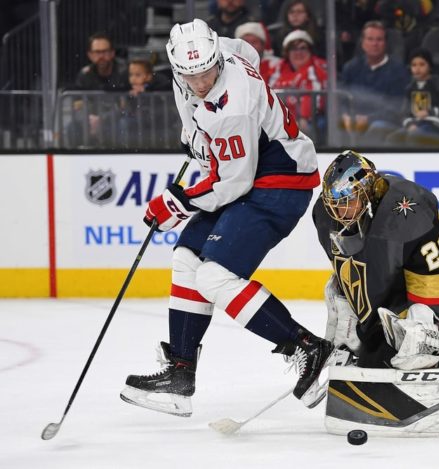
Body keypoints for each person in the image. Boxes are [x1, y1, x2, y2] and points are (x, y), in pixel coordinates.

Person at [120, 19, 333, 416]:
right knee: (186, 258)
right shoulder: (225, 51)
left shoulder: (230, 108)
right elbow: (248, 53)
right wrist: (198, 141)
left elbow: (233, 182)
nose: (200, 82)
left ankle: (308, 347)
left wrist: (176, 202)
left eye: (207, 72)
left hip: (281, 182)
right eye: (190, 74)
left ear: (216, 58)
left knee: (215, 275)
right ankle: (180, 373)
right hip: (254, 175)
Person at [313, 150, 439, 371]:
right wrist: (350, 315)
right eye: (333, 202)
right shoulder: (325, 217)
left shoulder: (408, 212)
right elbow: (353, 270)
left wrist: (423, 327)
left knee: (436, 354)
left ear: (367, 191)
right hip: (397, 302)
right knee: (374, 360)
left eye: (347, 200)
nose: (338, 210)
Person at [340, 20, 410, 145]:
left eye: (379, 39)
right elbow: (340, 99)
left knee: (377, 128)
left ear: (385, 43)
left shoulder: (398, 70)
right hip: (353, 122)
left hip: (384, 123)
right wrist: (345, 116)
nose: (374, 44)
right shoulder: (350, 68)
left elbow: (396, 108)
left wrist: (368, 119)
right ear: (362, 43)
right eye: (370, 39)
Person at [67, 32, 129, 148]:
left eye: (105, 52)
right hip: (91, 120)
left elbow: (126, 106)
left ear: (112, 53)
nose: (101, 56)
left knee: (123, 125)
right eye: (97, 52)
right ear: (90, 55)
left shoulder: (125, 72)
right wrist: (88, 119)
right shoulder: (84, 75)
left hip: (116, 119)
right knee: (72, 127)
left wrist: (103, 119)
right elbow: (77, 105)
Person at [386, 47, 439, 146]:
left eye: (422, 64)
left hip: (435, 125)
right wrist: (410, 124)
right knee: (392, 138)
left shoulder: (437, 84)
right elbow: (405, 113)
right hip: (415, 124)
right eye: (414, 65)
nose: (417, 69)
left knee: (415, 135)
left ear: (430, 66)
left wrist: (429, 112)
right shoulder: (410, 87)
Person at [268, 30, 328, 143]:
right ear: (287, 52)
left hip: (309, 120)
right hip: (283, 121)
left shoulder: (315, 68)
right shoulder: (278, 69)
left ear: (310, 51)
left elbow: (314, 96)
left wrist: (304, 117)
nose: (298, 52)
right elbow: (269, 94)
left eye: (303, 48)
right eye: (294, 49)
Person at [118, 59, 172, 148]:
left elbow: (167, 86)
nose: (133, 78)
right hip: (137, 123)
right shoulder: (128, 87)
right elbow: (110, 87)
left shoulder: (159, 82)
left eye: (138, 75)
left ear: (148, 76)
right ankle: (126, 148)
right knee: (124, 122)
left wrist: (146, 90)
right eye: (131, 75)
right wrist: (125, 98)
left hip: (158, 122)